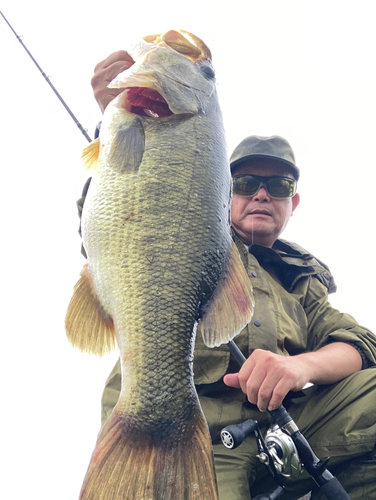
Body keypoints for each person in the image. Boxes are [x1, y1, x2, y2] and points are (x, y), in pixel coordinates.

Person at [77, 51, 376, 499]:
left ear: (292, 202)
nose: (260, 193)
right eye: (244, 182)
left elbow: (361, 346)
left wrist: (298, 367)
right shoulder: (184, 227)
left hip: (290, 435)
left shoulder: (302, 280)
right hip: (202, 436)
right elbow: (121, 219)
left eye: (277, 186)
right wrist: (118, 124)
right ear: (219, 188)